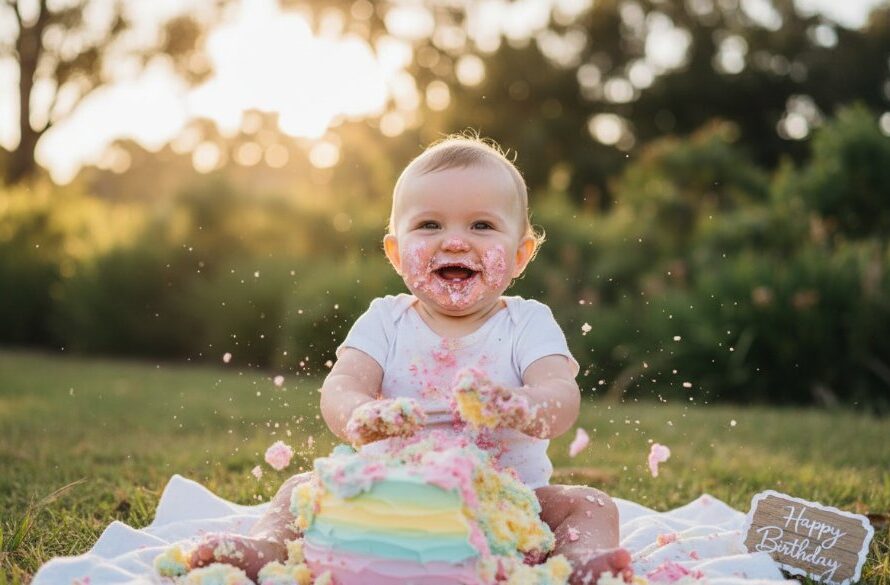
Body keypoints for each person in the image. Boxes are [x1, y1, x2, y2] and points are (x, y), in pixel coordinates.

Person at [191, 135, 634, 585]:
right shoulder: (385, 320)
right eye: (429, 225)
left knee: (591, 504)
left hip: (506, 507)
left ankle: (582, 561)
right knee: (297, 491)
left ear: (520, 255)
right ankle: (268, 547)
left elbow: (560, 394)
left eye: (481, 225)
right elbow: (341, 386)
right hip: (384, 497)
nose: (456, 241)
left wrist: (519, 405)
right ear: (396, 253)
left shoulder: (527, 323)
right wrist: (360, 414)